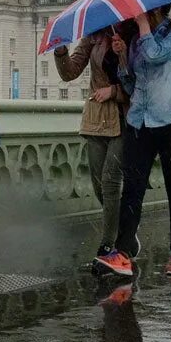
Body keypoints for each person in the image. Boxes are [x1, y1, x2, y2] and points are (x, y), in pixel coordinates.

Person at [93, 0, 171, 280]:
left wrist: (141, 27)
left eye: (140, 12)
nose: (134, 16)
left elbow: (155, 55)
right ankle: (123, 253)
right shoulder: (137, 41)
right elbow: (131, 84)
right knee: (133, 186)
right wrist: (123, 58)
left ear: (155, 9)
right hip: (140, 121)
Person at [53, 25, 130, 250]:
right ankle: (124, 229)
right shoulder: (93, 36)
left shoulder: (133, 34)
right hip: (97, 119)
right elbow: (70, 72)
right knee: (98, 184)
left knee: (110, 180)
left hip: (125, 116)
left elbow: (141, 80)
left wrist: (122, 56)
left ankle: (109, 244)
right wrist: (60, 50)